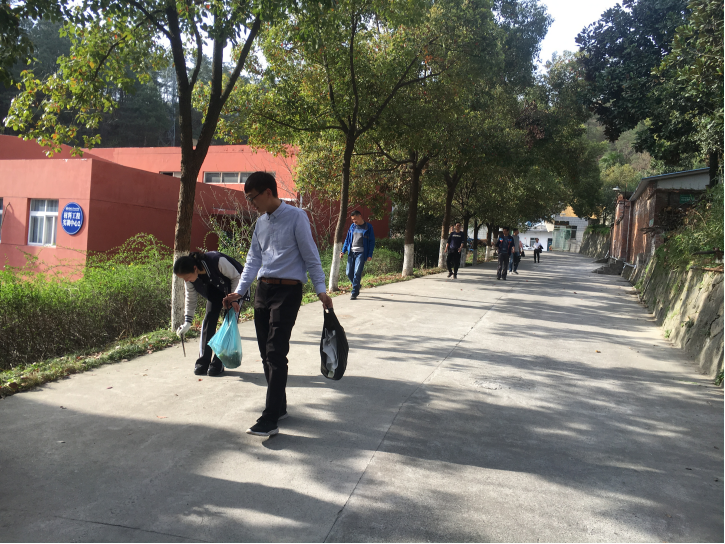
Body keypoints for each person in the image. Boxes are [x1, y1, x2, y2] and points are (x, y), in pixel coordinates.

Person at [223, 172, 333, 438]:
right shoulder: (260, 223)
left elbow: (311, 255)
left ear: (268, 192)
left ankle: (270, 418)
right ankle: (279, 405)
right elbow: (253, 260)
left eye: (252, 198)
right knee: (265, 352)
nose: (251, 204)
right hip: (264, 290)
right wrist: (239, 292)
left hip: (288, 291)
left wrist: (321, 290)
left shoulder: (297, 217)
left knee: (275, 352)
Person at [174, 251, 249, 376]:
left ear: (195, 268)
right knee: (209, 319)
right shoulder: (189, 278)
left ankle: (218, 363)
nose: (186, 280)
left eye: (186, 277)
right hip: (215, 290)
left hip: (236, 288)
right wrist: (187, 322)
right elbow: (191, 299)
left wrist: (234, 299)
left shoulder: (217, 261)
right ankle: (203, 361)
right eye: (183, 279)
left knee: (228, 324)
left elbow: (237, 277)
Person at [340, 210, 375, 300]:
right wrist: (343, 251)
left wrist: (370, 254)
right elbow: (347, 239)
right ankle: (357, 285)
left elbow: (372, 242)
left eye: (355, 219)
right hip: (351, 252)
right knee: (348, 272)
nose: (354, 221)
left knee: (357, 272)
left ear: (360, 216)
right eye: (352, 219)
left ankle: (354, 292)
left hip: (361, 253)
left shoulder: (368, 227)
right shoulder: (352, 227)